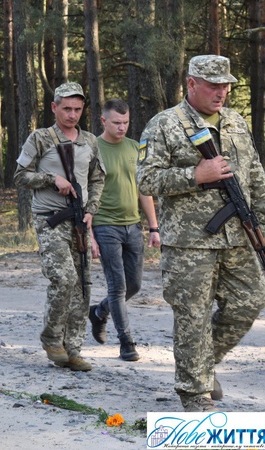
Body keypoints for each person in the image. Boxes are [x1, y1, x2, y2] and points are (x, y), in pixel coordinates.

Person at [137, 54, 265, 412]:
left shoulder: (236, 122)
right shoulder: (165, 124)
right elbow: (146, 180)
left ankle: (204, 367)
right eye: (213, 85)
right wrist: (195, 176)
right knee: (192, 316)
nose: (221, 91)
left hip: (238, 236)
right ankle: (194, 394)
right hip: (189, 243)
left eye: (226, 85)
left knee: (249, 302)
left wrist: (263, 224)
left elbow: (255, 174)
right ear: (191, 83)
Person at [13, 82, 106, 372]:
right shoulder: (41, 138)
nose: (72, 114)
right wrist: (52, 180)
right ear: (54, 108)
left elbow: (98, 179)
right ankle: (52, 337)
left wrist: (91, 210)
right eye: (67, 108)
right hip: (50, 218)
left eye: (78, 109)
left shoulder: (89, 141)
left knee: (82, 287)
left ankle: (73, 349)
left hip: (79, 221)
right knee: (64, 279)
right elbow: (20, 176)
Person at [87, 99, 161, 362]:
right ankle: (126, 343)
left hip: (133, 226)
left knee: (135, 285)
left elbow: (144, 189)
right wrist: (90, 235)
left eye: (126, 122)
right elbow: (85, 195)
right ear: (103, 121)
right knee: (117, 286)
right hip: (105, 225)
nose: (122, 127)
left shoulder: (135, 148)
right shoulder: (92, 148)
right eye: (116, 123)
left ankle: (99, 312)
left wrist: (153, 227)